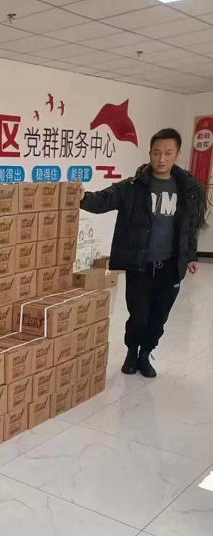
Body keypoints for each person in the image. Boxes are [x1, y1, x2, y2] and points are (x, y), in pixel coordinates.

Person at [80, 128, 202, 378]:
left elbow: (189, 225)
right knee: (138, 316)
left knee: (158, 318)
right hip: (140, 265)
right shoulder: (133, 187)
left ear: (177, 154)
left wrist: (190, 255)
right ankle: (131, 353)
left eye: (168, 153)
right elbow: (103, 200)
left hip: (170, 266)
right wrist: (82, 197)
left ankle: (145, 354)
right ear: (149, 153)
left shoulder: (186, 188)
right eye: (156, 153)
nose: (161, 158)